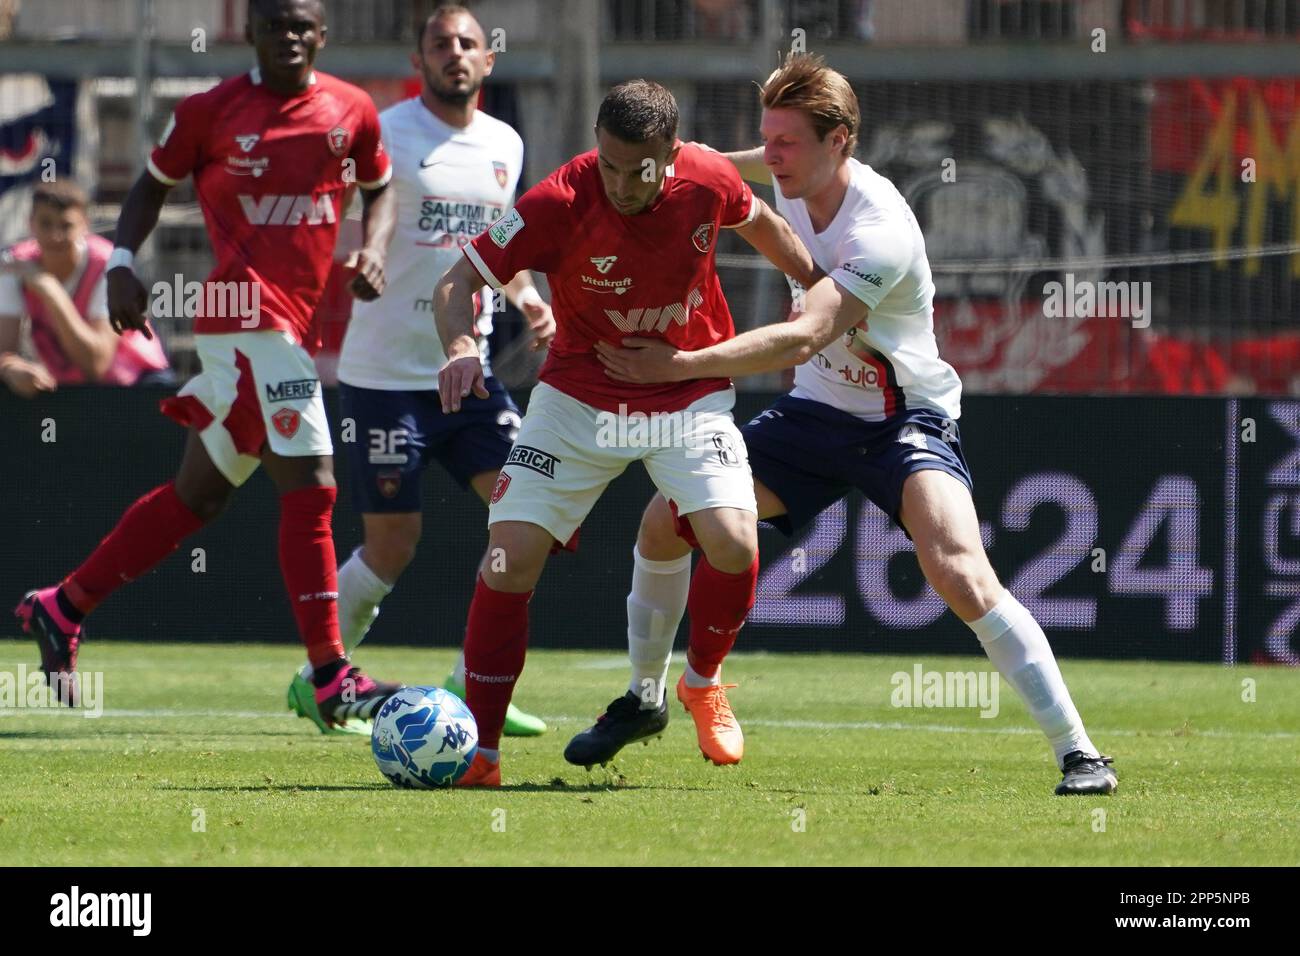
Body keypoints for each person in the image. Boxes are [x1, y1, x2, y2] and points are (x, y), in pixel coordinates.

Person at [580, 54, 1117, 796]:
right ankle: (645, 700)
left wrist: (674, 365)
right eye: (766, 140)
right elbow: (699, 162)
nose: (770, 157)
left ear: (841, 143)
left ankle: (1080, 754)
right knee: (664, 524)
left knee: (959, 572)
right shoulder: (779, 169)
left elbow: (805, 336)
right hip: (815, 412)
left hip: (905, 420)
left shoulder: (883, 231)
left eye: (787, 143)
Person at [14, 0, 404, 725]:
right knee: (313, 483)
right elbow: (151, 184)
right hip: (243, 317)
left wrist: (375, 248)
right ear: (250, 31)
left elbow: (379, 188)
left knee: (200, 494)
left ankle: (63, 604)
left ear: (322, 35)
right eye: (274, 24)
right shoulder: (210, 111)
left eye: (302, 26)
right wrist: (122, 262)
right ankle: (329, 676)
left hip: (289, 321)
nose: (289, 37)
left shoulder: (351, 111)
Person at [435, 79, 820, 786]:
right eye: (606, 163)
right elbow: (459, 281)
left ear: (672, 154)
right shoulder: (558, 201)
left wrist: (813, 286)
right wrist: (462, 349)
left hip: (686, 395)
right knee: (508, 557)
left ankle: (701, 682)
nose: (618, 183)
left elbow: (759, 218)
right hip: (577, 399)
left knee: (733, 543)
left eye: (635, 169)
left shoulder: (708, 177)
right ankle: (483, 755)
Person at [285, 4, 554, 736]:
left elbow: (496, 250)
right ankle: (322, 675)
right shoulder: (386, 132)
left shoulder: (506, 142)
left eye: (468, 44)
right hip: (386, 377)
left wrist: (527, 295)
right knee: (392, 543)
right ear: (420, 58)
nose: (455, 54)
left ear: (488, 60)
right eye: (441, 44)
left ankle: (473, 682)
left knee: (526, 516)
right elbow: (340, 210)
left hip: (467, 373)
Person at [0, 181, 170, 398]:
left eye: (66, 226)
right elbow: (4, 351)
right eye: (46, 224)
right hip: (67, 389)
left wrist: (51, 291)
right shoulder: (15, 264)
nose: (55, 236)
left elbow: (96, 364)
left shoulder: (109, 266)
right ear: (30, 224)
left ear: (85, 226)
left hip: (137, 386)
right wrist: (9, 367)